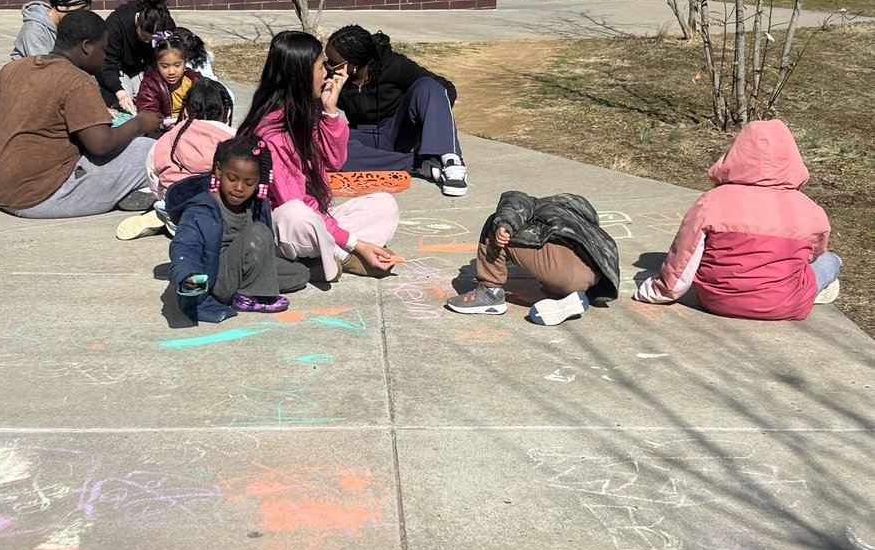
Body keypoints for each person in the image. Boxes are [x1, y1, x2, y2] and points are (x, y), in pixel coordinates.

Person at [632, 119, 840, 319]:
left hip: (717, 301)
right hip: (786, 304)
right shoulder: (811, 210)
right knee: (830, 260)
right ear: (792, 158)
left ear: (737, 153)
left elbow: (685, 257)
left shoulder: (712, 201)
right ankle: (816, 291)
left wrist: (655, 291)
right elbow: (812, 256)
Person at [240, 30, 402, 281]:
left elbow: (336, 161)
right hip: (280, 229)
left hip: (318, 219)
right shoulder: (271, 133)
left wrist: (330, 110)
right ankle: (340, 256)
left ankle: (322, 257)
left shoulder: (305, 112)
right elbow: (296, 203)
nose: (326, 72)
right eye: (320, 66)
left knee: (384, 205)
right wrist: (356, 245)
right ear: (301, 75)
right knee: (296, 215)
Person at [0, 10, 162, 219]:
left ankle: (130, 190)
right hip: (45, 196)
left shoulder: (13, 69)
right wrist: (139, 124)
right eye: (103, 50)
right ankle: (141, 191)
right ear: (86, 46)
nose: (104, 58)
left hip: (4, 193)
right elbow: (100, 145)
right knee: (149, 149)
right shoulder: (77, 80)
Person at [168, 136, 309, 323]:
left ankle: (246, 288)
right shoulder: (200, 211)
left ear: (259, 181)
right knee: (259, 233)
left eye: (249, 183)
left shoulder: (255, 204)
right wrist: (189, 281)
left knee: (299, 275)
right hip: (216, 277)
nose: (239, 188)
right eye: (232, 179)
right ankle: (249, 297)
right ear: (218, 170)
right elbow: (185, 249)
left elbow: (257, 252)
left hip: (241, 269)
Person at [323, 25, 468, 196]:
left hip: (398, 131)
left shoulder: (392, 64)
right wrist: (328, 100)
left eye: (333, 63)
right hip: (361, 138)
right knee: (329, 151)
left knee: (428, 86)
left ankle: (451, 161)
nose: (328, 66)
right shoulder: (329, 78)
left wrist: (425, 129)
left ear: (353, 63)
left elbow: (445, 90)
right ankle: (419, 164)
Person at [447, 190, 620, 325]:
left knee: (495, 223)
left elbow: (516, 199)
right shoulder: (588, 226)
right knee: (558, 255)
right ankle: (565, 297)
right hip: (593, 281)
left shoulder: (547, 205)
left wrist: (504, 225)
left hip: (561, 271)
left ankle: (489, 294)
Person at [116, 79, 236, 241]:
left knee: (173, 197)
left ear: (185, 111)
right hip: (217, 215)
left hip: (175, 206)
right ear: (227, 112)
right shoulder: (234, 138)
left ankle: (166, 212)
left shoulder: (168, 138)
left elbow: (152, 175)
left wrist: (163, 196)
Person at [99, 0, 174, 112]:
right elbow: (107, 64)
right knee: (125, 103)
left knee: (148, 98)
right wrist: (121, 93)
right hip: (118, 67)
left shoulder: (166, 25)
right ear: (137, 18)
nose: (147, 42)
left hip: (143, 66)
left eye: (153, 39)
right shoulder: (116, 24)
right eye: (144, 36)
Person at [10, 0, 93, 60]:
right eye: (76, 13)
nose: (80, 19)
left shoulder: (66, 25)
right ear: (61, 5)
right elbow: (45, 66)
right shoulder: (34, 30)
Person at [134, 31, 201, 121]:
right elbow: (147, 113)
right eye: (165, 66)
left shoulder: (195, 81)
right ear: (156, 66)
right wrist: (161, 124)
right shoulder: (150, 84)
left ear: (185, 64)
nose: (171, 72)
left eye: (177, 65)